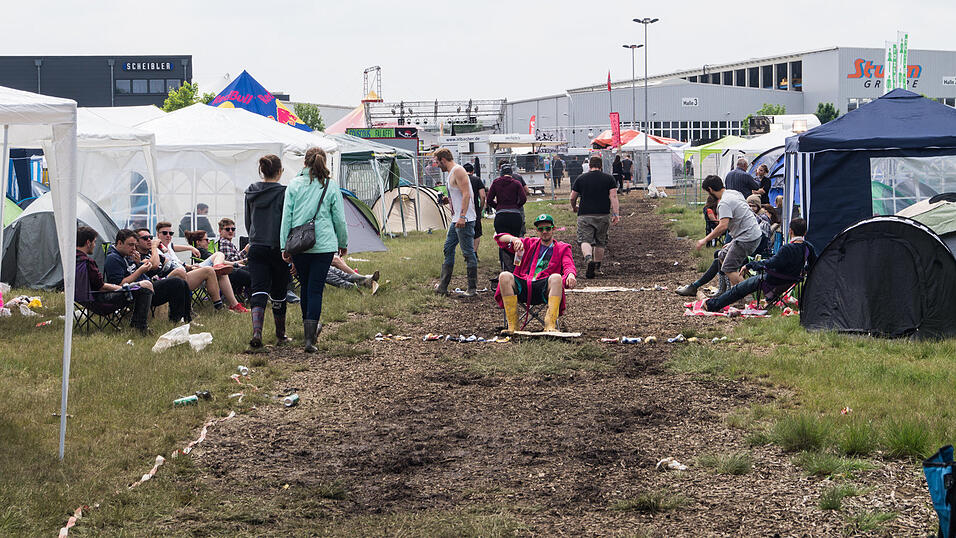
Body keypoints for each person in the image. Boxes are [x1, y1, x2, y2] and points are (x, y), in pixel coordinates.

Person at [280, 147, 349, 352]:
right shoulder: (330, 185)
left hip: (300, 244)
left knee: (305, 287)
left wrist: (284, 245)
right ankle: (310, 337)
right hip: (324, 244)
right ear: (323, 162)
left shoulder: (294, 185)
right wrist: (343, 242)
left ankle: (308, 331)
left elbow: (286, 217)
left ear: (304, 162)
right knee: (315, 289)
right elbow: (339, 218)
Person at [701, 218, 816, 312]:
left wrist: (751, 265)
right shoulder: (808, 247)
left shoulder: (787, 248)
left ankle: (713, 305)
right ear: (805, 232)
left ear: (790, 231)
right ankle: (769, 300)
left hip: (773, 280)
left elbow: (772, 263)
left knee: (738, 289)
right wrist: (803, 270)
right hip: (791, 280)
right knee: (740, 287)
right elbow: (813, 265)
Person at [676, 175, 763, 297]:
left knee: (729, 268)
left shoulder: (724, 203)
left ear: (710, 189)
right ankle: (723, 291)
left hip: (747, 238)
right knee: (721, 255)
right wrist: (733, 241)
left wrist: (704, 240)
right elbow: (742, 217)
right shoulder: (734, 193)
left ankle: (748, 298)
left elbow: (722, 226)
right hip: (751, 234)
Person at [244, 154, 295, 349]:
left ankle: (257, 332)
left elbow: (248, 221)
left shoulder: (251, 191)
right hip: (278, 247)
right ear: (280, 171)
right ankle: (280, 334)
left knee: (258, 289)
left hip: (256, 246)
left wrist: (254, 237)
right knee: (279, 291)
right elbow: (287, 221)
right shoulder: (284, 192)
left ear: (262, 171)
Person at [494, 214, 577, 333]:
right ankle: (513, 326)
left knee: (556, 277)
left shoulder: (562, 248)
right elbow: (499, 237)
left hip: (544, 288)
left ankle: (550, 325)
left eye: (548, 228)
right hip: (523, 286)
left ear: (553, 229)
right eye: (541, 229)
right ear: (537, 231)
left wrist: (571, 275)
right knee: (504, 276)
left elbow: (569, 265)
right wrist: (515, 239)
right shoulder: (528, 243)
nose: (544, 232)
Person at [76, 226, 153, 335]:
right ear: (88, 242)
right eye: (94, 242)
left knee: (145, 285)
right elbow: (101, 287)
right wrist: (122, 288)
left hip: (84, 299)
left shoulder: (73, 260)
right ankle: (139, 326)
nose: (95, 245)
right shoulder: (88, 262)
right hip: (99, 300)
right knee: (145, 287)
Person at [152, 221, 243, 312]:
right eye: (165, 233)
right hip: (178, 277)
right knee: (210, 269)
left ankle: (234, 304)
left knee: (220, 259)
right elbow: (158, 265)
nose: (168, 235)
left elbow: (175, 249)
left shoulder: (169, 247)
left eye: (171, 233)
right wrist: (236, 263)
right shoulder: (156, 250)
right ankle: (219, 307)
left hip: (188, 270)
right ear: (158, 235)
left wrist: (191, 249)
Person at [104, 228, 191, 323]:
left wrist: (138, 264)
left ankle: (186, 318)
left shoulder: (127, 254)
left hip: (146, 286)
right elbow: (119, 284)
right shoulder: (113, 258)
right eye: (130, 245)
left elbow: (136, 271)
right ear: (120, 243)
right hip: (135, 292)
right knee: (176, 282)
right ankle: (176, 320)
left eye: (135, 245)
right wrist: (140, 270)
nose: (134, 248)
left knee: (183, 283)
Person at [434, 147, 478, 296]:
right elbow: (458, 194)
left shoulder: (458, 171)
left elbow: (467, 194)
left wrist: (463, 216)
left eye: (437, 162)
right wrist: (447, 200)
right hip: (456, 219)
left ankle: (472, 289)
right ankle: (442, 287)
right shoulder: (451, 173)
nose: (437, 165)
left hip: (465, 219)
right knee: (448, 248)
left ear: (443, 160)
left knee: (468, 253)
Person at [570, 155, 620, 279]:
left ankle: (588, 259)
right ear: (601, 166)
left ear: (589, 165)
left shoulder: (581, 178)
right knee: (600, 241)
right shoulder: (609, 179)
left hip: (585, 214)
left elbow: (572, 197)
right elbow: (613, 196)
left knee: (585, 240)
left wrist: (574, 207)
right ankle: (597, 268)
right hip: (603, 214)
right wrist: (616, 213)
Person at [486, 165, 527, 272]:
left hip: (501, 216)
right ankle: (517, 267)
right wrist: (516, 206)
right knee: (516, 241)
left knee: (502, 242)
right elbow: (523, 198)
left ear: (501, 173)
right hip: (515, 216)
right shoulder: (516, 183)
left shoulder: (496, 183)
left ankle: (505, 268)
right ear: (511, 173)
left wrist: (498, 207)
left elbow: (489, 199)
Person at [213, 218, 253, 299]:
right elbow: (229, 261)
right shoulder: (224, 243)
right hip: (229, 271)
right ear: (220, 231)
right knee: (253, 274)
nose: (231, 231)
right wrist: (245, 251)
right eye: (227, 229)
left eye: (233, 229)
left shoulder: (228, 242)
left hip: (233, 270)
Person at [463, 162, 486, 256]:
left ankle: (467, 253)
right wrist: (481, 208)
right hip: (474, 208)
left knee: (464, 232)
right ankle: (474, 252)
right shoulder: (477, 180)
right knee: (476, 232)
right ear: (472, 171)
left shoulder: (460, 180)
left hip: (463, 209)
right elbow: (483, 196)